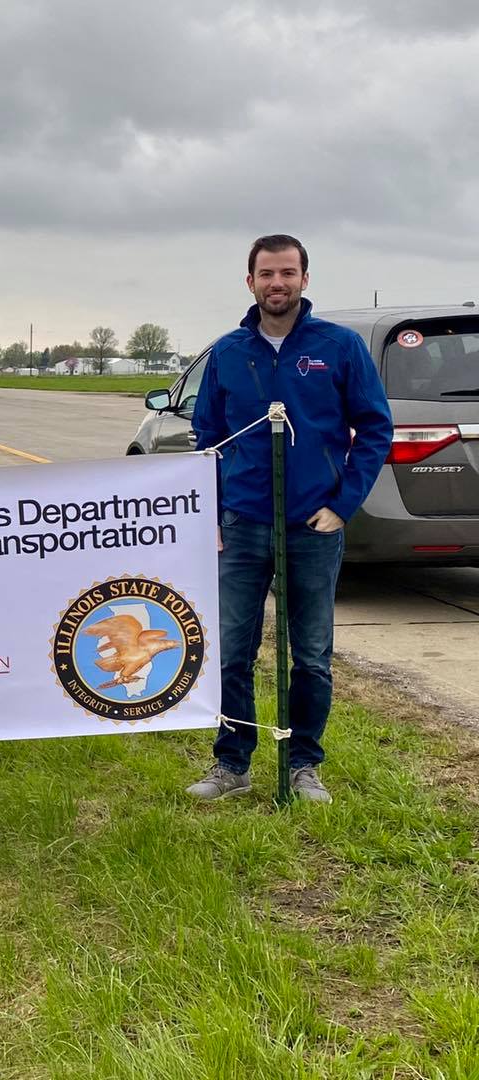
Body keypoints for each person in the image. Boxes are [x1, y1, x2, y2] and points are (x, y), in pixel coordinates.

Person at [187, 235, 392, 803]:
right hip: (243, 523)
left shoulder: (340, 347)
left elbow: (375, 430)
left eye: (288, 273)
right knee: (232, 650)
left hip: (313, 526)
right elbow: (207, 438)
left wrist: (342, 504)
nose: (277, 283)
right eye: (266, 274)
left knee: (311, 656)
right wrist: (213, 514)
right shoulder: (228, 352)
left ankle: (304, 765)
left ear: (305, 280)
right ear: (249, 282)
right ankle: (232, 764)